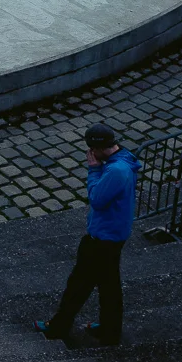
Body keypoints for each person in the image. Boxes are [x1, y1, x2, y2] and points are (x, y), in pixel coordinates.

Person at [38, 125, 139, 346]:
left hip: (102, 239)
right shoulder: (124, 159)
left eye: (92, 149)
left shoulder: (114, 171)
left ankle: (58, 327)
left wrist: (93, 170)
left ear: (99, 148)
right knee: (108, 286)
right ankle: (109, 330)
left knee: (78, 285)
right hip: (114, 235)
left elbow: (97, 199)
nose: (90, 154)